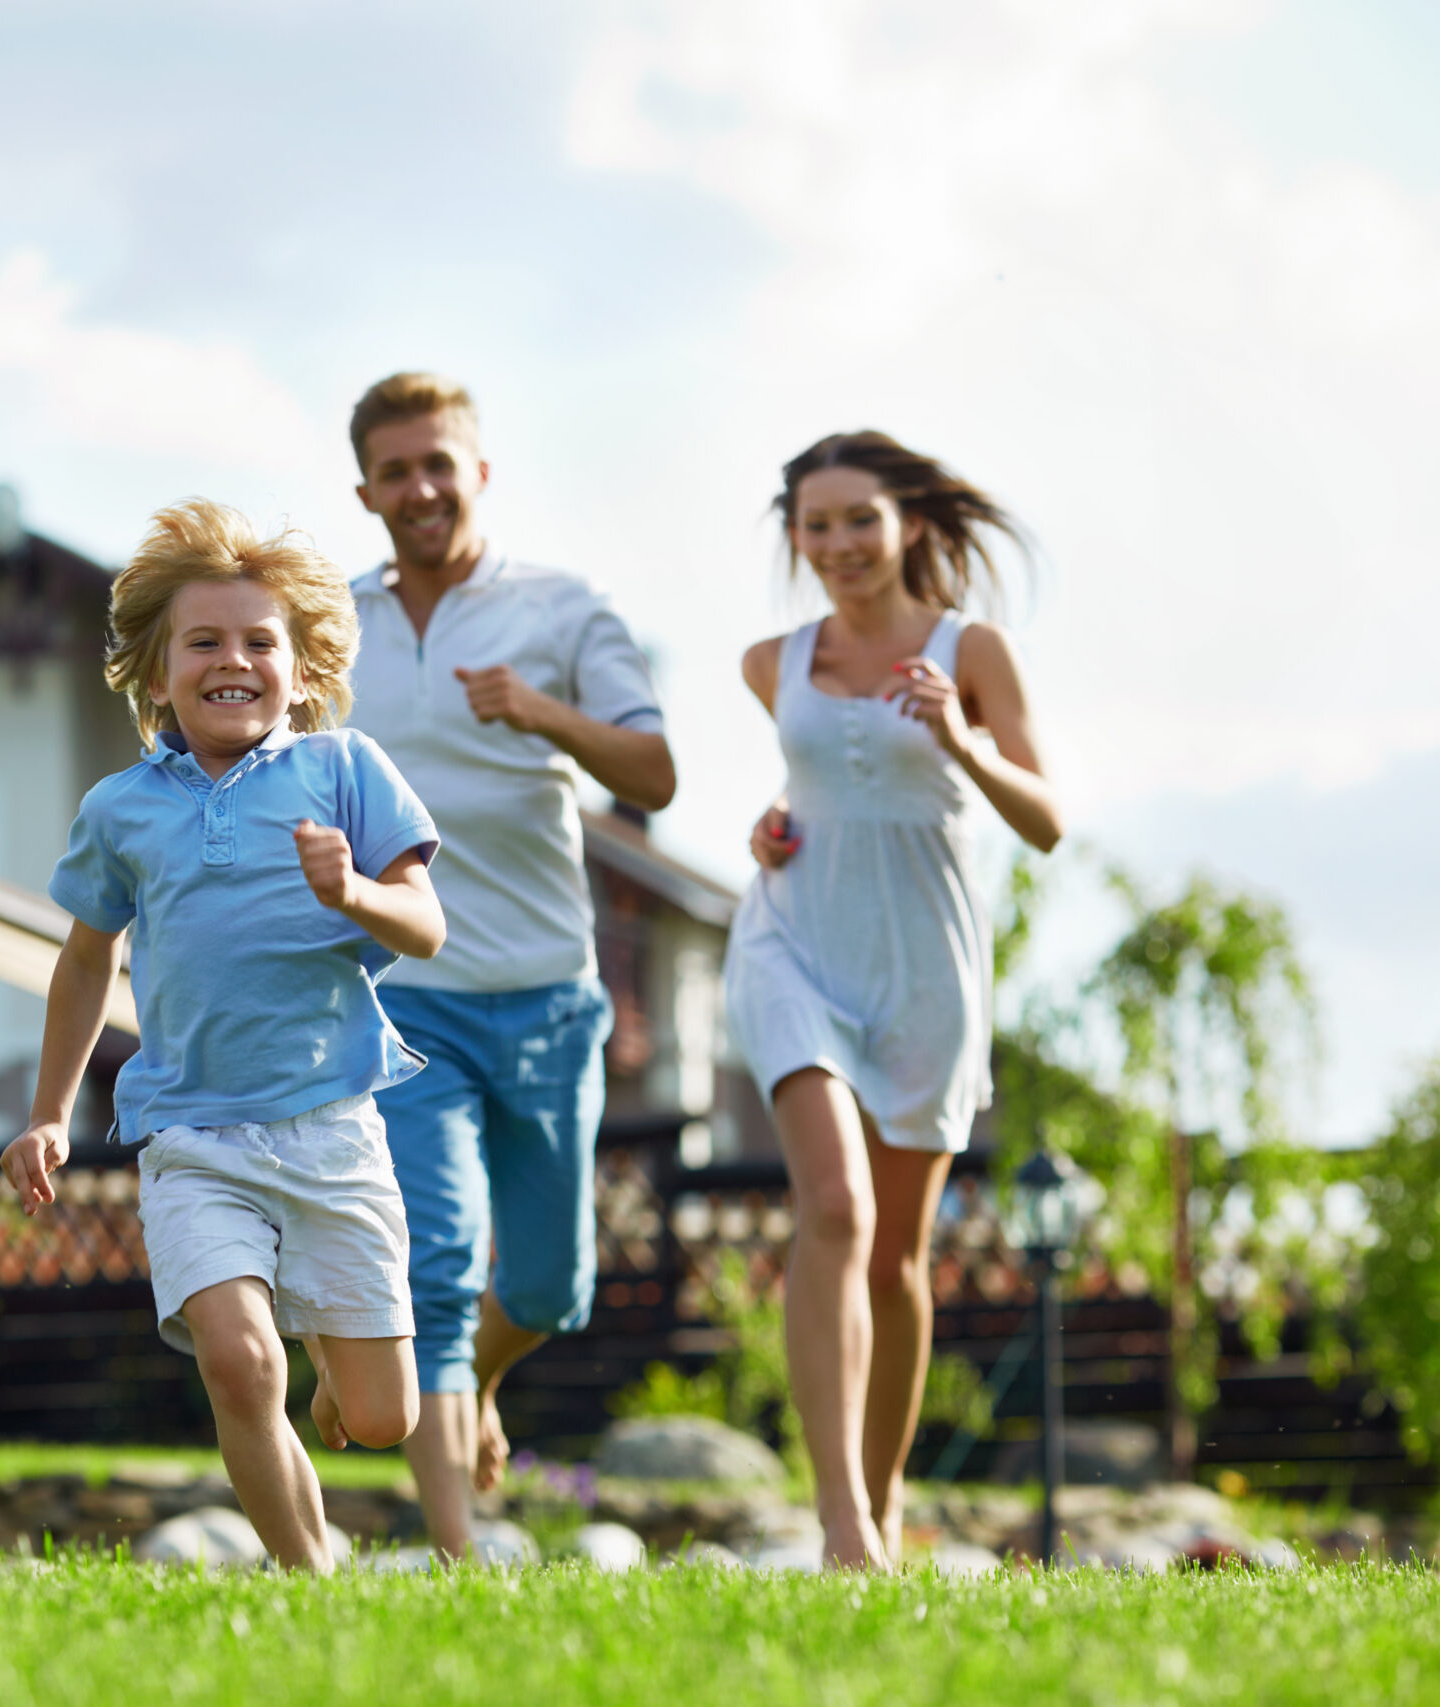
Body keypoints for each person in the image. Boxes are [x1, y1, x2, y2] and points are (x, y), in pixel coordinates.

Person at [1, 498, 445, 1573]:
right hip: (191, 1134)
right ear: (156, 675)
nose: (232, 660)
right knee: (241, 1365)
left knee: (384, 1420)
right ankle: (312, 1579)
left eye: (259, 642)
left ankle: (346, 1373)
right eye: (203, 642)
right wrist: (50, 1113)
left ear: (300, 669)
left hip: (330, 1126)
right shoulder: (121, 809)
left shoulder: (344, 769)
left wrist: (354, 895)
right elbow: (85, 958)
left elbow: (424, 925)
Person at [343, 373, 678, 1558]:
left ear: (478, 472)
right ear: (366, 489)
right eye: (396, 470)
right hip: (404, 995)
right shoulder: (336, 626)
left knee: (547, 1288)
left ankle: (476, 1386)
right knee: (436, 1265)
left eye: (439, 463)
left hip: (544, 994)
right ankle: (454, 1553)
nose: (420, 488)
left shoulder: (561, 609)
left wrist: (544, 715)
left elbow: (652, 777)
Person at [723, 430, 1063, 1570]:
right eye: (813, 527)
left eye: (856, 520)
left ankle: (882, 1495)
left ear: (907, 522)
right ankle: (840, 1524)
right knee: (834, 1208)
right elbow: (815, 782)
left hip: (924, 965)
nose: (836, 546)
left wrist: (960, 740)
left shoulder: (973, 650)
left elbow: (1045, 819)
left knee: (895, 1258)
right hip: (794, 945)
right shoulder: (771, 660)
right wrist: (766, 826)